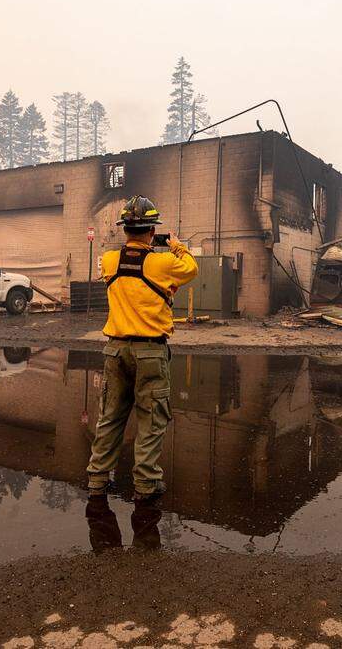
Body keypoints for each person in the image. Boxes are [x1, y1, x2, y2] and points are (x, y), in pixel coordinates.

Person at [85, 195, 198, 503]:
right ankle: (146, 484)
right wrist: (176, 245)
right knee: (151, 418)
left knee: (110, 415)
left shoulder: (109, 260)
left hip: (115, 350)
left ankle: (97, 478)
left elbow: (118, 270)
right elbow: (190, 269)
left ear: (125, 230)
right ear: (152, 231)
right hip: (150, 351)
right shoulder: (162, 262)